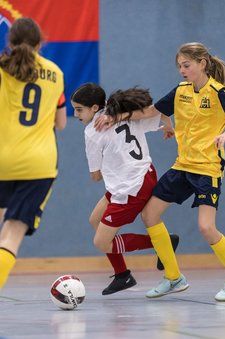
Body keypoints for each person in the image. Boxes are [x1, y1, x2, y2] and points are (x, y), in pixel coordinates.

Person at [95, 42, 225, 302]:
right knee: (149, 214)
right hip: (182, 165)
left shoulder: (219, 92)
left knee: (206, 227)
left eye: (186, 65)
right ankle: (174, 278)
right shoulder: (181, 91)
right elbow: (152, 111)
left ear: (202, 64)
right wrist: (115, 117)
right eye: (179, 66)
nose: (182, 70)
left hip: (208, 169)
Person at [71, 83, 179, 295]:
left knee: (102, 242)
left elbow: (95, 175)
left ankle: (160, 243)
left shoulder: (92, 131)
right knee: (95, 220)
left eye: (79, 110)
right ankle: (122, 275)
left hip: (131, 187)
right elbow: (161, 113)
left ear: (94, 108)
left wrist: (103, 165)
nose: (76, 115)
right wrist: (168, 127)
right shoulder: (124, 114)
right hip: (142, 176)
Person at [0, 17, 67, 289]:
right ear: (41, 43)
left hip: (3, 160)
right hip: (38, 164)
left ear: (9, 42)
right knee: (11, 236)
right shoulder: (55, 73)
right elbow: (61, 124)